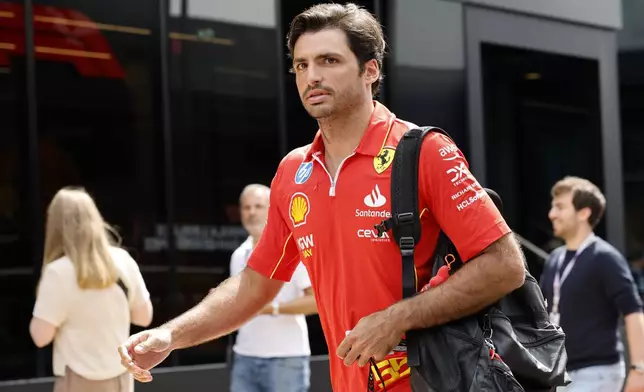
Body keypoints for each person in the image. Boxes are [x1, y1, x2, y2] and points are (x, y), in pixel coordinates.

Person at [118, 3, 526, 391]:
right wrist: (172, 334)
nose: (311, 75)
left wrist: (397, 318)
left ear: (370, 70)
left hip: (436, 382)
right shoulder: (293, 172)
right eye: (301, 64)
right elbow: (255, 285)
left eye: (328, 61)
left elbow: (505, 265)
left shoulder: (423, 151)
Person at [31, 187, 153, 392]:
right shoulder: (123, 260)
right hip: (122, 378)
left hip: (77, 381)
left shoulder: (58, 272)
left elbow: (40, 337)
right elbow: (144, 317)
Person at [539, 177, 644, 392]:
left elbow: (633, 313)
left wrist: (639, 370)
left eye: (560, 207)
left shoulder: (605, 257)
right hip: (560, 374)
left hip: (597, 373)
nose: (552, 214)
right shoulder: (554, 260)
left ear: (584, 213)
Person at [227, 184, 317, 392]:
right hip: (245, 356)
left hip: (286, 359)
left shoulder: (294, 251)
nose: (251, 213)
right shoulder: (239, 255)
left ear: (272, 210)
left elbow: (316, 302)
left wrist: (272, 309)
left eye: (258, 206)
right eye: (246, 207)